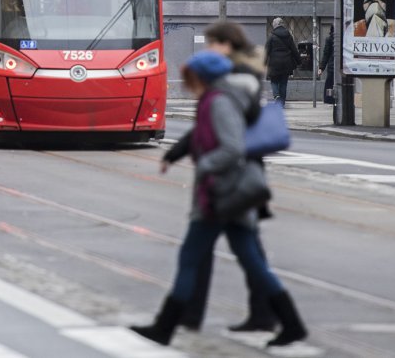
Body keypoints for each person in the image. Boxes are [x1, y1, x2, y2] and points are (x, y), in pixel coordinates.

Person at [130, 51, 307, 348]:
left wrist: (205, 166)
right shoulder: (219, 98)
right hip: (228, 196)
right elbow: (201, 136)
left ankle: (164, 327)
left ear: (202, 76)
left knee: (190, 258)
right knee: (252, 261)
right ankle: (291, 324)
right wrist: (176, 155)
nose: (188, 83)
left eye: (191, 77)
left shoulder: (220, 102)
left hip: (220, 196)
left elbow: (233, 148)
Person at [167, 21, 277, 333]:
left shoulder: (238, 77)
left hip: (235, 175)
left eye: (212, 43)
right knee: (235, 249)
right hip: (232, 173)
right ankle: (254, 313)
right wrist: (176, 152)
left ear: (226, 44)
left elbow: (230, 125)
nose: (207, 48)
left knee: (234, 250)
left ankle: (262, 313)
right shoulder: (237, 74)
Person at [264, 17, 301, 105]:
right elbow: (294, 49)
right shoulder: (288, 36)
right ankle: (282, 103)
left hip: (274, 63)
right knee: (284, 83)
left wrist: (263, 64)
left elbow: (266, 51)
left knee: (274, 81)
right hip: (286, 63)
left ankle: (276, 96)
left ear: (274, 25)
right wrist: (299, 61)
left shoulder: (271, 36)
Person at [319, 26, 335, 105]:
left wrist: (321, 68)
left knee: (330, 83)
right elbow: (326, 54)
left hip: (332, 67)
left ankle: (329, 99)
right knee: (330, 83)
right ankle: (329, 99)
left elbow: (326, 54)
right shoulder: (330, 40)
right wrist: (321, 68)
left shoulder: (329, 39)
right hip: (337, 66)